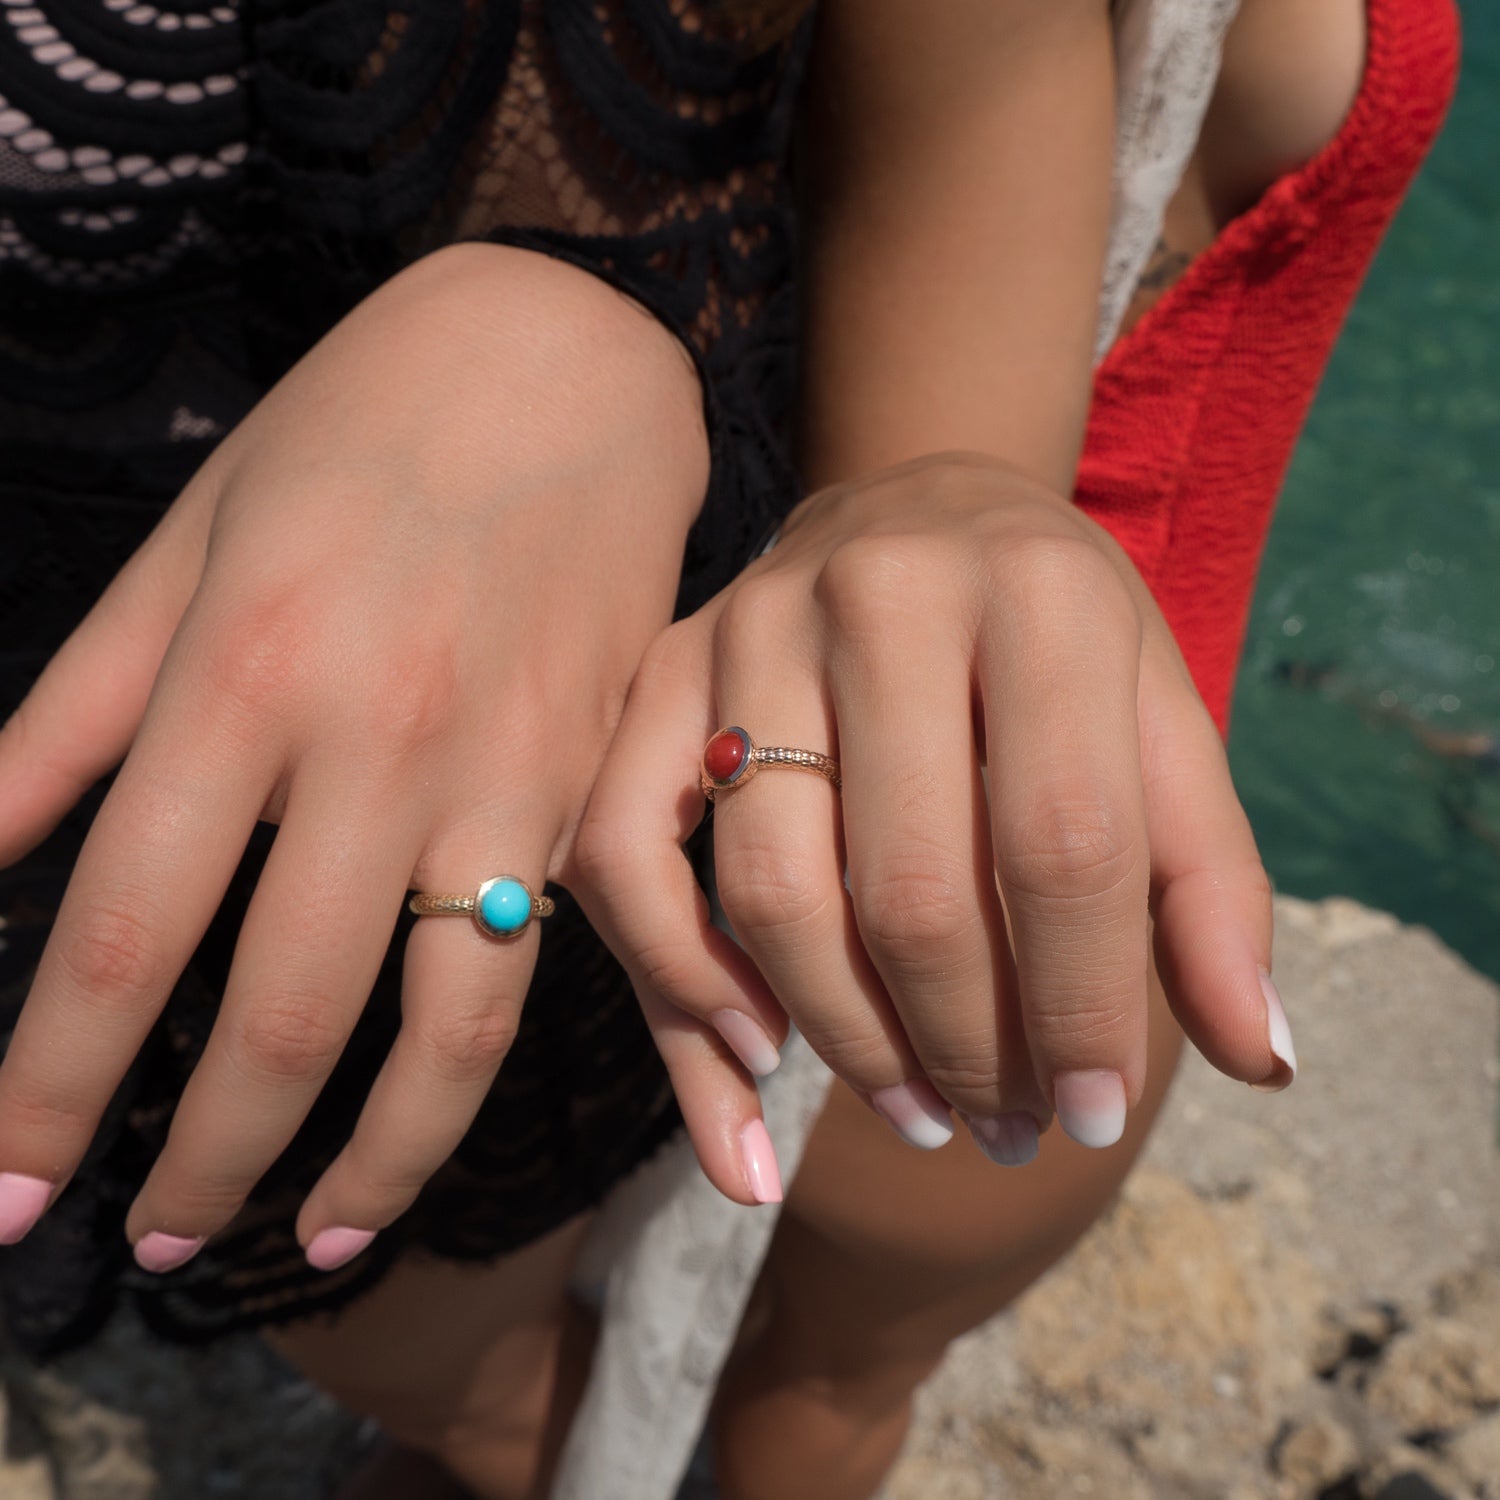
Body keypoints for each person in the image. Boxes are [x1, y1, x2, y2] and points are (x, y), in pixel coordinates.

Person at [0, 3, 1458, 1500]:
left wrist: (580, 337)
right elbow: (935, 433)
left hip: (491, 871)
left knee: (503, 1430)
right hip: (1040, 885)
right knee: (831, 1406)